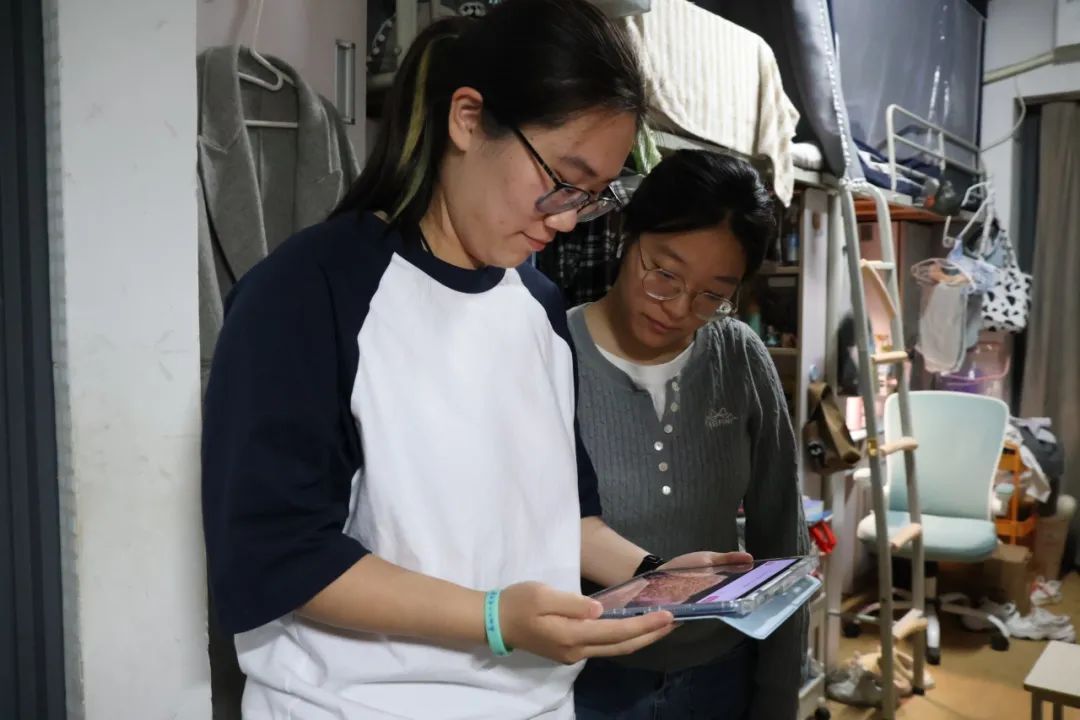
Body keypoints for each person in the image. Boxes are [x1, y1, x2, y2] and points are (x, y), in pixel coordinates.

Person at [200, 3, 746, 718]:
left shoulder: (537, 304)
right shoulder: (309, 293)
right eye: (562, 179)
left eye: (590, 198)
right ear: (467, 119)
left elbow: (562, 516)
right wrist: (494, 619)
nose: (565, 219)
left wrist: (656, 576)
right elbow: (277, 555)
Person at [568, 150, 808, 720]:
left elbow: (783, 537)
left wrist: (778, 693)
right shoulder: (552, 350)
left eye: (711, 295)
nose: (677, 308)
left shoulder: (739, 357)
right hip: (588, 676)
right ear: (629, 234)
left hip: (719, 670)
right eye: (664, 274)